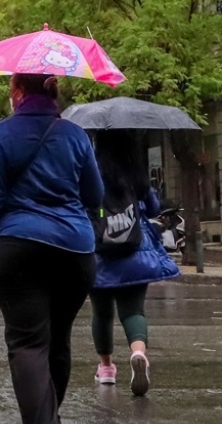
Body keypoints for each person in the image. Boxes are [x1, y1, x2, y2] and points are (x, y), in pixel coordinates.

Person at [0, 74, 103, 424]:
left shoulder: (3, 133)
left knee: (28, 344)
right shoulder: (76, 135)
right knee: (58, 339)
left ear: (17, 92)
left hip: (16, 249)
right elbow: (95, 196)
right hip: (74, 251)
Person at [89, 130, 179, 397]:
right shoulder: (134, 173)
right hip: (134, 254)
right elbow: (152, 209)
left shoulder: (91, 170)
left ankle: (106, 369)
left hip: (99, 256)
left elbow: (81, 203)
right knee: (133, 311)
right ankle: (138, 353)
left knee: (102, 314)